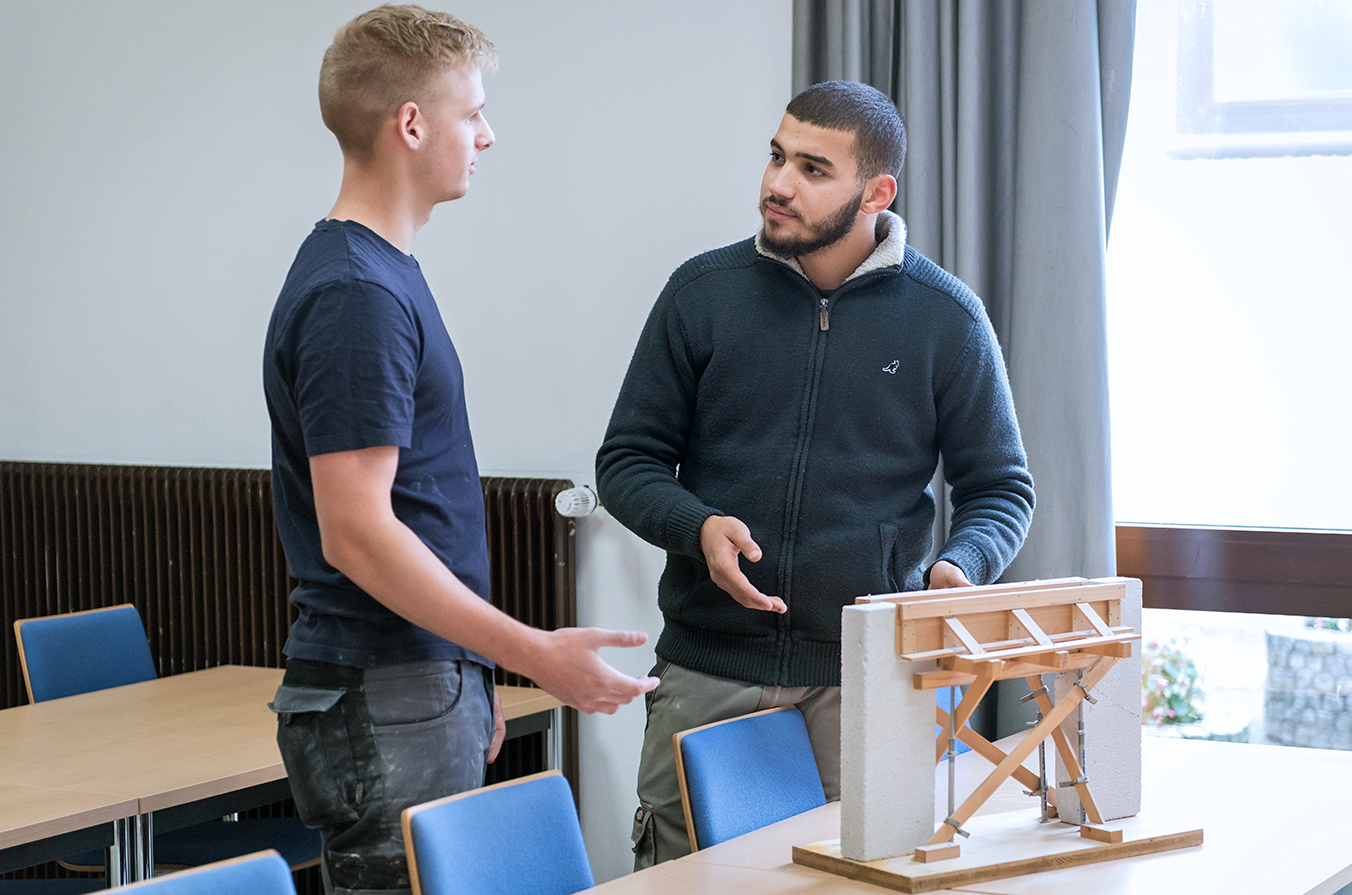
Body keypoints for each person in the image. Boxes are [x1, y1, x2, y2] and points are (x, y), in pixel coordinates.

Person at [262, 7, 659, 893]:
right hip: (383, 692)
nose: (488, 134)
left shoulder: (379, 273)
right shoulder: (356, 295)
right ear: (411, 124)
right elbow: (357, 532)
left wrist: (471, 673)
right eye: (472, 113)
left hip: (411, 686)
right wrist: (527, 651)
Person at [595, 79, 1035, 869]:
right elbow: (626, 460)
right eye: (775, 156)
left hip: (869, 681)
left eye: (811, 167)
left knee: (871, 880)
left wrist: (959, 564)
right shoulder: (702, 293)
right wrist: (696, 525)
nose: (777, 184)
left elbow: (1001, 486)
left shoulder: (947, 318)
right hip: (707, 668)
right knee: (680, 881)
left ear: (877, 191)